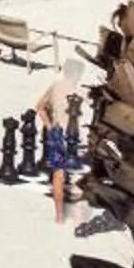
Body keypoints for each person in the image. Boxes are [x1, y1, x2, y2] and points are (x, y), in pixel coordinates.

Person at [35, 58, 87, 226]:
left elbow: (39, 107)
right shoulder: (80, 91)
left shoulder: (56, 86)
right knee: (78, 179)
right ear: (77, 73)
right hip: (74, 136)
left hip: (57, 133)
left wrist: (49, 126)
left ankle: (59, 217)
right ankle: (78, 221)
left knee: (59, 176)